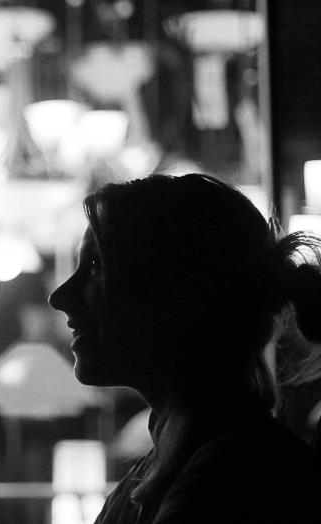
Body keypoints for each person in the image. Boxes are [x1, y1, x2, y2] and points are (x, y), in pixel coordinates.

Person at [49, 173, 321, 523]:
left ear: (178, 293)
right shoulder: (178, 464)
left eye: (97, 265)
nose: (61, 297)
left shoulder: (234, 476)